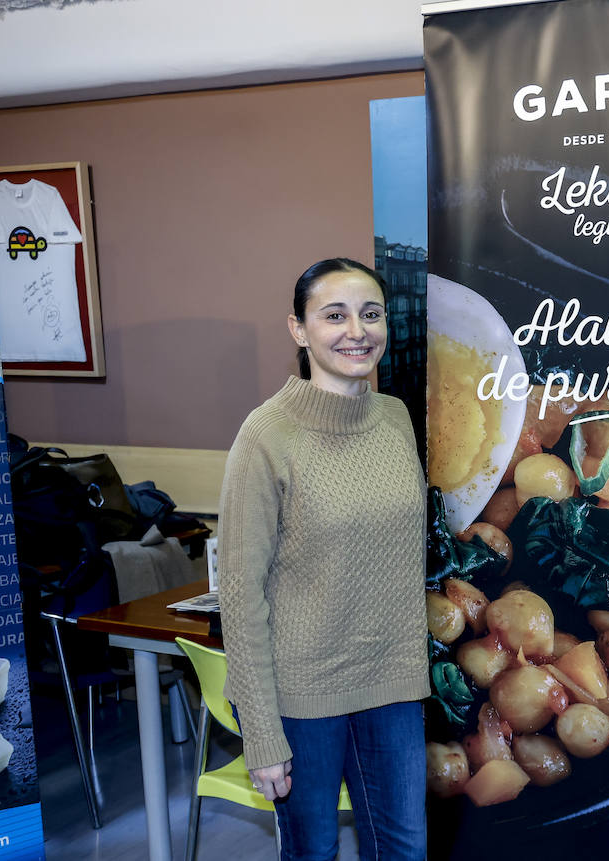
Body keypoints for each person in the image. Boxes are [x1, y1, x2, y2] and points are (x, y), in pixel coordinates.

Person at [219, 258, 428, 860]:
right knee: (313, 852)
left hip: (392, 685)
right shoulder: (266, 436)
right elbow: (240, 593)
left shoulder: (395, 418)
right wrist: (261, 734)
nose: (355, 331)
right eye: (334, 315)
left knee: (406, 850)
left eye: (370, 314)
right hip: (301, 697)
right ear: (298, 329)